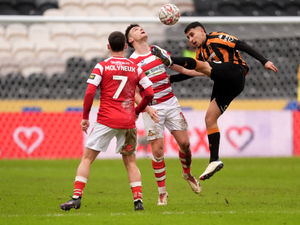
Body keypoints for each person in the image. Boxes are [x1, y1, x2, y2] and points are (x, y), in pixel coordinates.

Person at [151, 21, 278, 181]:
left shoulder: (217, 37)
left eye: (192, 34)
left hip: (235, 72)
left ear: (202, 31)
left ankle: (168, 59)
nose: (190, 40)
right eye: (188, 37)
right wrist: (171, 80)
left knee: (200, 65)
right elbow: (191, 71)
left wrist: (264, 60)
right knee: (210, 118)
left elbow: (242, 45)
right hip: (225, 83)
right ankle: (214, 160)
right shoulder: (200, 53)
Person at [60, 31, 154, 211]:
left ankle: (76, 197)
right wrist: (137, 111)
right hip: (127, 122)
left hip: (106, 120)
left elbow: (89, 93)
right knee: (131, 162)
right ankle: (138, 201)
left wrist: (85, 117)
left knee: (87, 159)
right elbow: (149, 93)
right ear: (126, 47)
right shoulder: (135, 67)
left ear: (108, 46)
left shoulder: (101, 66)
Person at [125, 24, 201, 206]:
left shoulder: (157, 51)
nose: (141, 29)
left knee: (185, 143)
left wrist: (203, 73)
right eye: (135, 30)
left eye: (141, 27)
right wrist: (145, 108)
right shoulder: (132, 62)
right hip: (153, 108)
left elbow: (178, 68)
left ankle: (187, 173)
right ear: (130, 40)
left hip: (171, 103)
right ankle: (162, 193)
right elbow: (133, 91)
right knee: (158, 151)